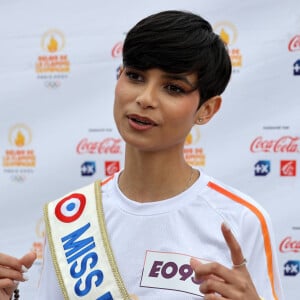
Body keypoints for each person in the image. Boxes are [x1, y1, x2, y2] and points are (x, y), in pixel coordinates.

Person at [0, 10, 284, 300]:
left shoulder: (240, 220)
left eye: (173, 88)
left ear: (207, 109)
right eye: (135, 76)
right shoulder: (69, 217)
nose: (145, 99)